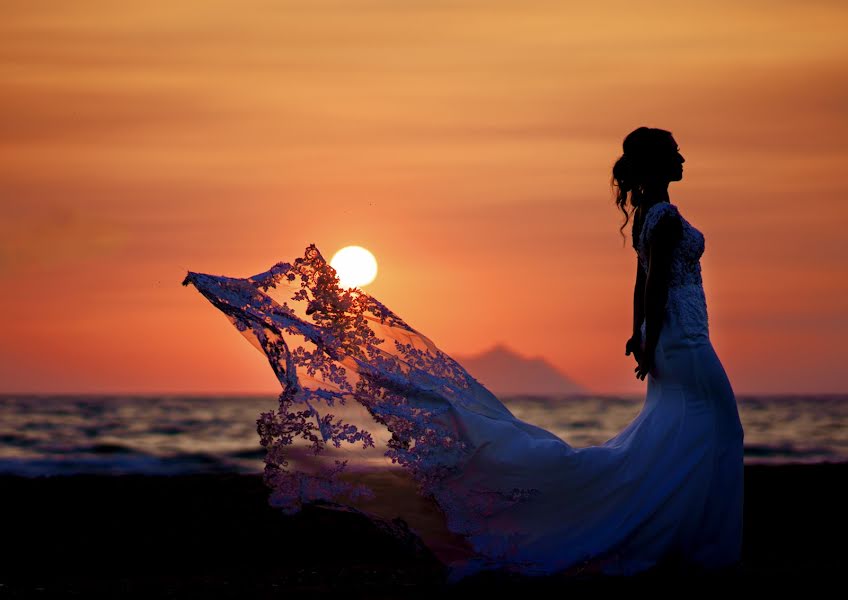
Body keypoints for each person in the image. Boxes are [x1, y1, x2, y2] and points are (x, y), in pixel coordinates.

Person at [182, 126, 744, 582]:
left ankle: (681, 532)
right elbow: (648, 286)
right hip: (683, 343)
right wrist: (645, 336)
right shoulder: (663, 218)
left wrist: (637, 334)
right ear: (656, 162)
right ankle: (684, 538)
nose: (683, 158)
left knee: (689, 435)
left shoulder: (652, 217)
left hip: (677, 338)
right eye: (674, 152)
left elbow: (642, 284)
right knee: (708, 430)